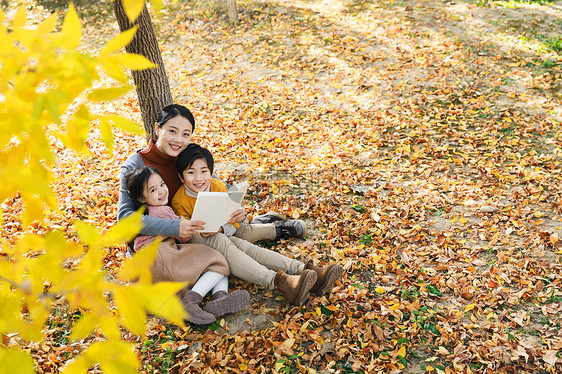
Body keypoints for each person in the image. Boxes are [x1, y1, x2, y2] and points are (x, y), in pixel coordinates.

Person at [116, 104, 341, 307]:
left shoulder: (181, 154)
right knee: (223, 240)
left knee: (236, 237)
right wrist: (175, 227)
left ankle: (304, 271)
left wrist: (232, 204)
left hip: (196, 226)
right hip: (164, 243)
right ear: (157, 129)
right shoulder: (135, 165)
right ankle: (282, 282)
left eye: (186, 134)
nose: (178, 140)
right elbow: (125, 220)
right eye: (172, 131)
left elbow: (210, 180)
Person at [171, 143, 344, 306]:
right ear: (180, 176)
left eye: (204, 171)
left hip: (222, 234)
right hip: (200, 244)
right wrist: (215, 230)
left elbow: (233, 226)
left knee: (245, 246)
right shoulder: (179, 201)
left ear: (211, 172)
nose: (199, 178)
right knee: (226, 243)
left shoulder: (218, 186)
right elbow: (186, 236)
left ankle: (302, 270)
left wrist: (225, 225)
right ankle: (281, 283)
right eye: (191, 173)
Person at [125, 166, 250, 324]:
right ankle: (193, 302)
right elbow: (185, 237)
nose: (162, 191)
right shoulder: (162, 211)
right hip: (164, 258)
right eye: (153, 190)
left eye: (162, 184)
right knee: (216, 261)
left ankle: (220, 299)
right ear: (141, 198)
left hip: (149, 272)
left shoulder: (143, 216)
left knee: (211, 262)